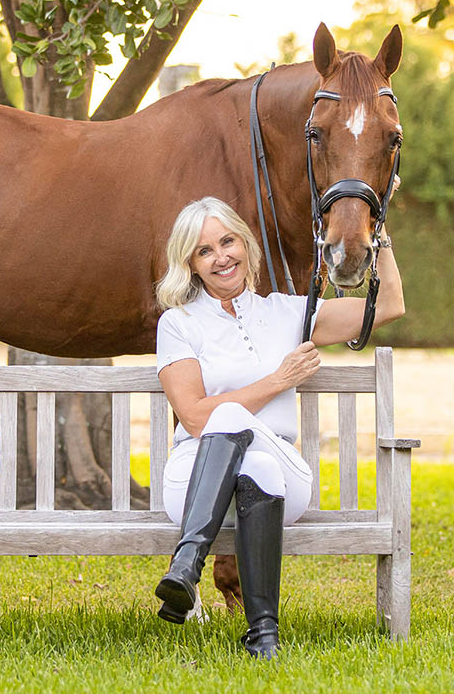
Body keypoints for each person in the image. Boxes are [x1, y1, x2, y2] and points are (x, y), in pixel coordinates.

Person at [152, 195, 405, 659]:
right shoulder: (179, 324)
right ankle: (263, 633)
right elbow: (192, 417)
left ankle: (187, 563)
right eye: (205, 250)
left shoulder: (289, 313)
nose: (221, 256)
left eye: (228, 242)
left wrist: (378, 229)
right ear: (189, 264)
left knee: (255, 448)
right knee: (247, 452)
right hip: (193, 482)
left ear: (246, 246)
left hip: (282, 482)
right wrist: (277, 381)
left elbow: (387, 305)